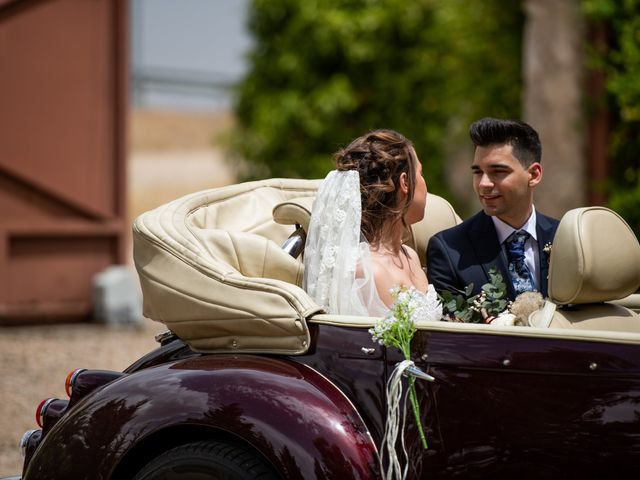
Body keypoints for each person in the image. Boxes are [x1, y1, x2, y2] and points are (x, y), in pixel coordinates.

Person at [303, 129, 442, 319]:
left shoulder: (409, 256)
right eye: (420, 173)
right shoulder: (368, 271)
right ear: (405, 183)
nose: (425, 183)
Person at [426, 117, 559, 302]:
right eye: (478, 172)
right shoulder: (449, 251)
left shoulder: (566, 239)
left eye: (498, 172)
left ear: (534, 174)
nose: (483, 184)